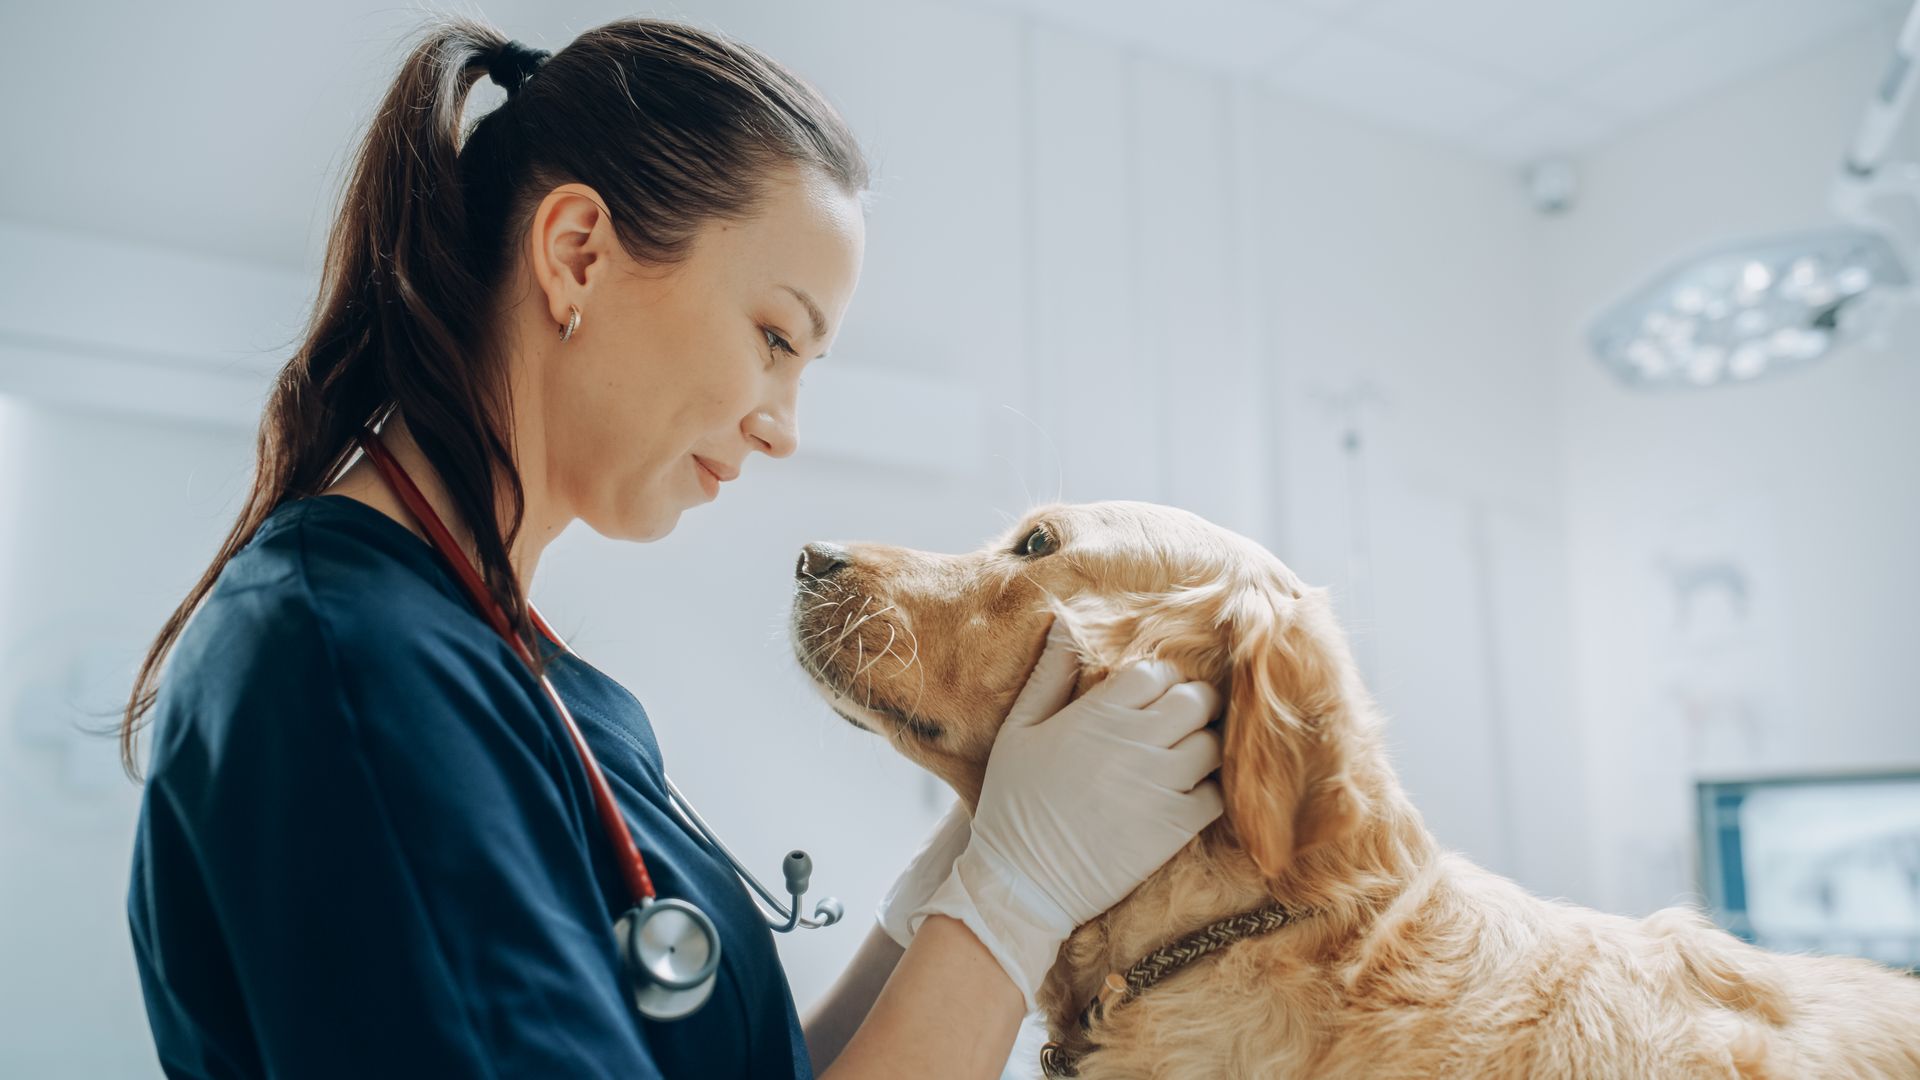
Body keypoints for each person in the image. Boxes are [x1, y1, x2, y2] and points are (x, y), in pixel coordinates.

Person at [120, 15, 1223, 1079]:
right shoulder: (350, 670)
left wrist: (949, 891)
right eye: (775, 338)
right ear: (578, 255)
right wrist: (1014, 900)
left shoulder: (537, 682)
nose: (783, 427)